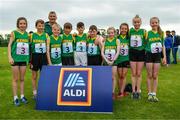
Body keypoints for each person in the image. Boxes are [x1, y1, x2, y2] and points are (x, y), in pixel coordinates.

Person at [8, 17, 29, 106]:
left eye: (24, 23)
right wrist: (10, 57)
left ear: (26, 25)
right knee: (15, 79)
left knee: (22, 79)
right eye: (21, 23)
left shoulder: (27, 34)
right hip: (15, 59)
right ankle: (15, 97)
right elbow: (9, 46)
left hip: (23, 60)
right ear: (18, 24)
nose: (22, 25)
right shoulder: (14, 33)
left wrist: (28, 59)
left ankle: (22, 96)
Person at [145, 17, 166, 102]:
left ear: (158, 23)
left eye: (156, 22)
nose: (154, 24)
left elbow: (163, 45)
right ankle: (149, 94)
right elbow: (144, 44)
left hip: (157, 55)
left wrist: (164, 57)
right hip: (149, 55)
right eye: (152, 23)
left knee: (155, 75)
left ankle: (154, 94)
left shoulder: (161, 33)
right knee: (150, 75)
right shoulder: (147, 33)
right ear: (150, 24)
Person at [30, 19, 50, 99]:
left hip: (43, 57)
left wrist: (48, 60)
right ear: (36, 26)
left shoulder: (46, 35)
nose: (41, 27)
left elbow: (47, 49)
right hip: (35, 57)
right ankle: (34, 92)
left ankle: (42, 91)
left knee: (43, 76)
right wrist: (29, 60)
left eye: (42, 26)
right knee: (34, 76)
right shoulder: (31, 35)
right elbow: (29, 48)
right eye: (39, 26)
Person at [129, 15, 146, 99]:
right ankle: (133, 91)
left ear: (141, 22)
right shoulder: (130, 31)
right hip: (132, 52)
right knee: (133, 73)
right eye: (135, 22)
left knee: (138, 73)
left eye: (138, 22)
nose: (136, 23)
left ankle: (138, 90)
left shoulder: (143, 31)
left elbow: (146, 42)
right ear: (133, 22)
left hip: (141, 53)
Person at [101, 27, 120, 99]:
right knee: (106, 77)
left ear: (114, 33)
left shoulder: (117, 40)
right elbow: (102, 52)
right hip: (106, 62)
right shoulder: (105, 41)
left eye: (112, 33)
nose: (110, 34)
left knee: (113, 77)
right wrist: (107, 61)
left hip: (114, 61)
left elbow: (118, 51)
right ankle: (106, 91)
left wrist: (113, 60)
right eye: (109, 33)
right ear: (107, 33)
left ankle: (112, 92)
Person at [115, 23, 130, 98]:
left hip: (126, 59)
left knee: (123, 75)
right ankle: (120, 90)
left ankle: (121, 91)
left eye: (125, 28)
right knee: (119, 75)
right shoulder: (117, 38)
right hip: (118, 59)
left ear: (127, 29)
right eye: (122, 28)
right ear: (120, 29)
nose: (124, 30)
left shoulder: (129, 38)